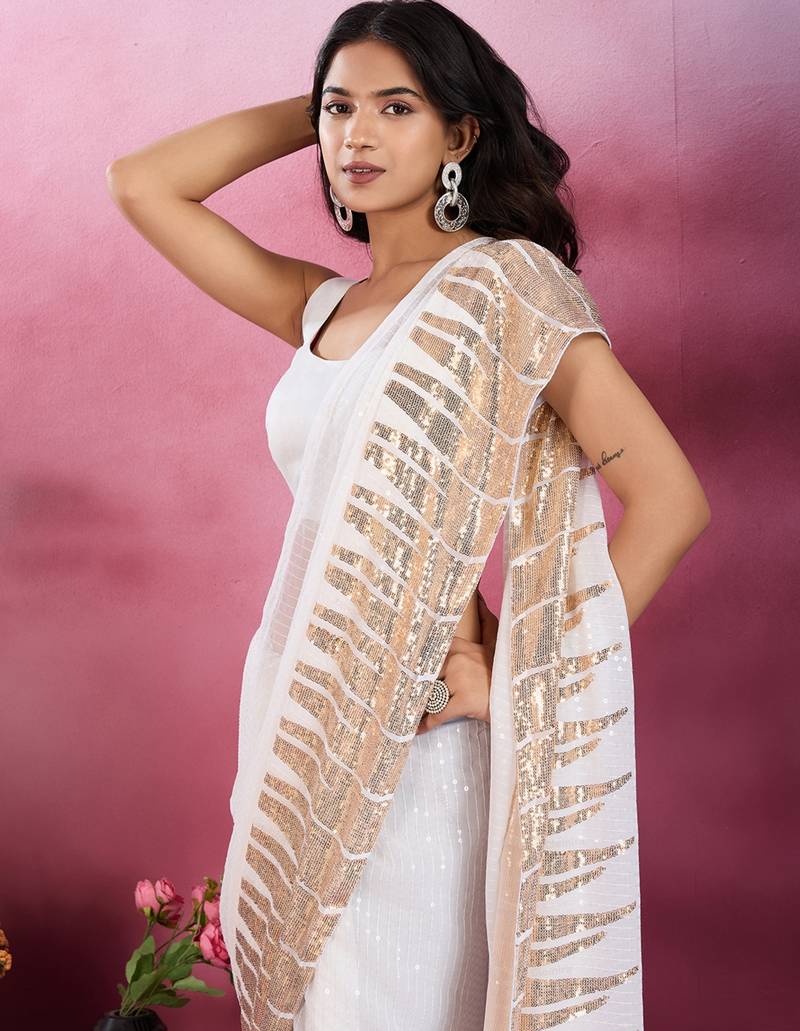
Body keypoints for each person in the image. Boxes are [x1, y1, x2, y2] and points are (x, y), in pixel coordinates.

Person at [107, 3, 710, 1028]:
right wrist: (323, 106)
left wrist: (514, 673)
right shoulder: (322, 307)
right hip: (303, 724)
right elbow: (141, 183)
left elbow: (669, 499)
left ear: (459, 133)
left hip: (422, 747)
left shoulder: (507, 289)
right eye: (340, 110)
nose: (358, 135)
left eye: (398, 108)